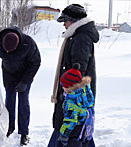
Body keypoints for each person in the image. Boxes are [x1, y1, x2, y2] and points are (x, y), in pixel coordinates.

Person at [49, 4, 99, 147]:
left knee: (72, 128)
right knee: (77, 129)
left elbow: (78, 72)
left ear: (74, 21)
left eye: (66, 21)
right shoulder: (76, 36)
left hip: (74, 94)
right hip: (71, 91)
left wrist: (68, 93)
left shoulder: (81, 39)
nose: (64, 24)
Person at [0, 26, 41, 146]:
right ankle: (9, 127)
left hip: (25, 74)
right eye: (5, 51)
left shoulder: (28, 43)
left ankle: (24, 133)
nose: (7, 53)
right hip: (9, 74)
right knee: (10, 99)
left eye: (10, 51)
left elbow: (36, 62)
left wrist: (25, 81)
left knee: (23, 101)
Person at [54, 63, 95, 147]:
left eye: (64, 86)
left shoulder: (71, 103)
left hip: (74, 133)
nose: (62, 88)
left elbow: (70, 121)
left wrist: (64, 135)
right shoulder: (85, 92)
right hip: (84, 130)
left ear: (70, 87)